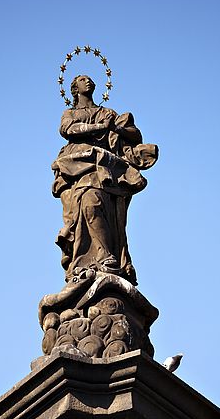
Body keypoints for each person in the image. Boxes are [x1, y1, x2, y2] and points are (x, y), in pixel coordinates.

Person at [51, 75, 158, 285]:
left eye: (90, 79)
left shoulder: (107, 113)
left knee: (98, 204)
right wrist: (100, 128)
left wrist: (115, 128)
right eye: (82, 79)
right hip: (77, 165)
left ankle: (106, 255)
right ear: (74, 88)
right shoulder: (70, 113)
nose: (88, 81)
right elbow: (68, 130)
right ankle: (89, 258)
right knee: (86, 204)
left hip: (104, 167)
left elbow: (133, 135)